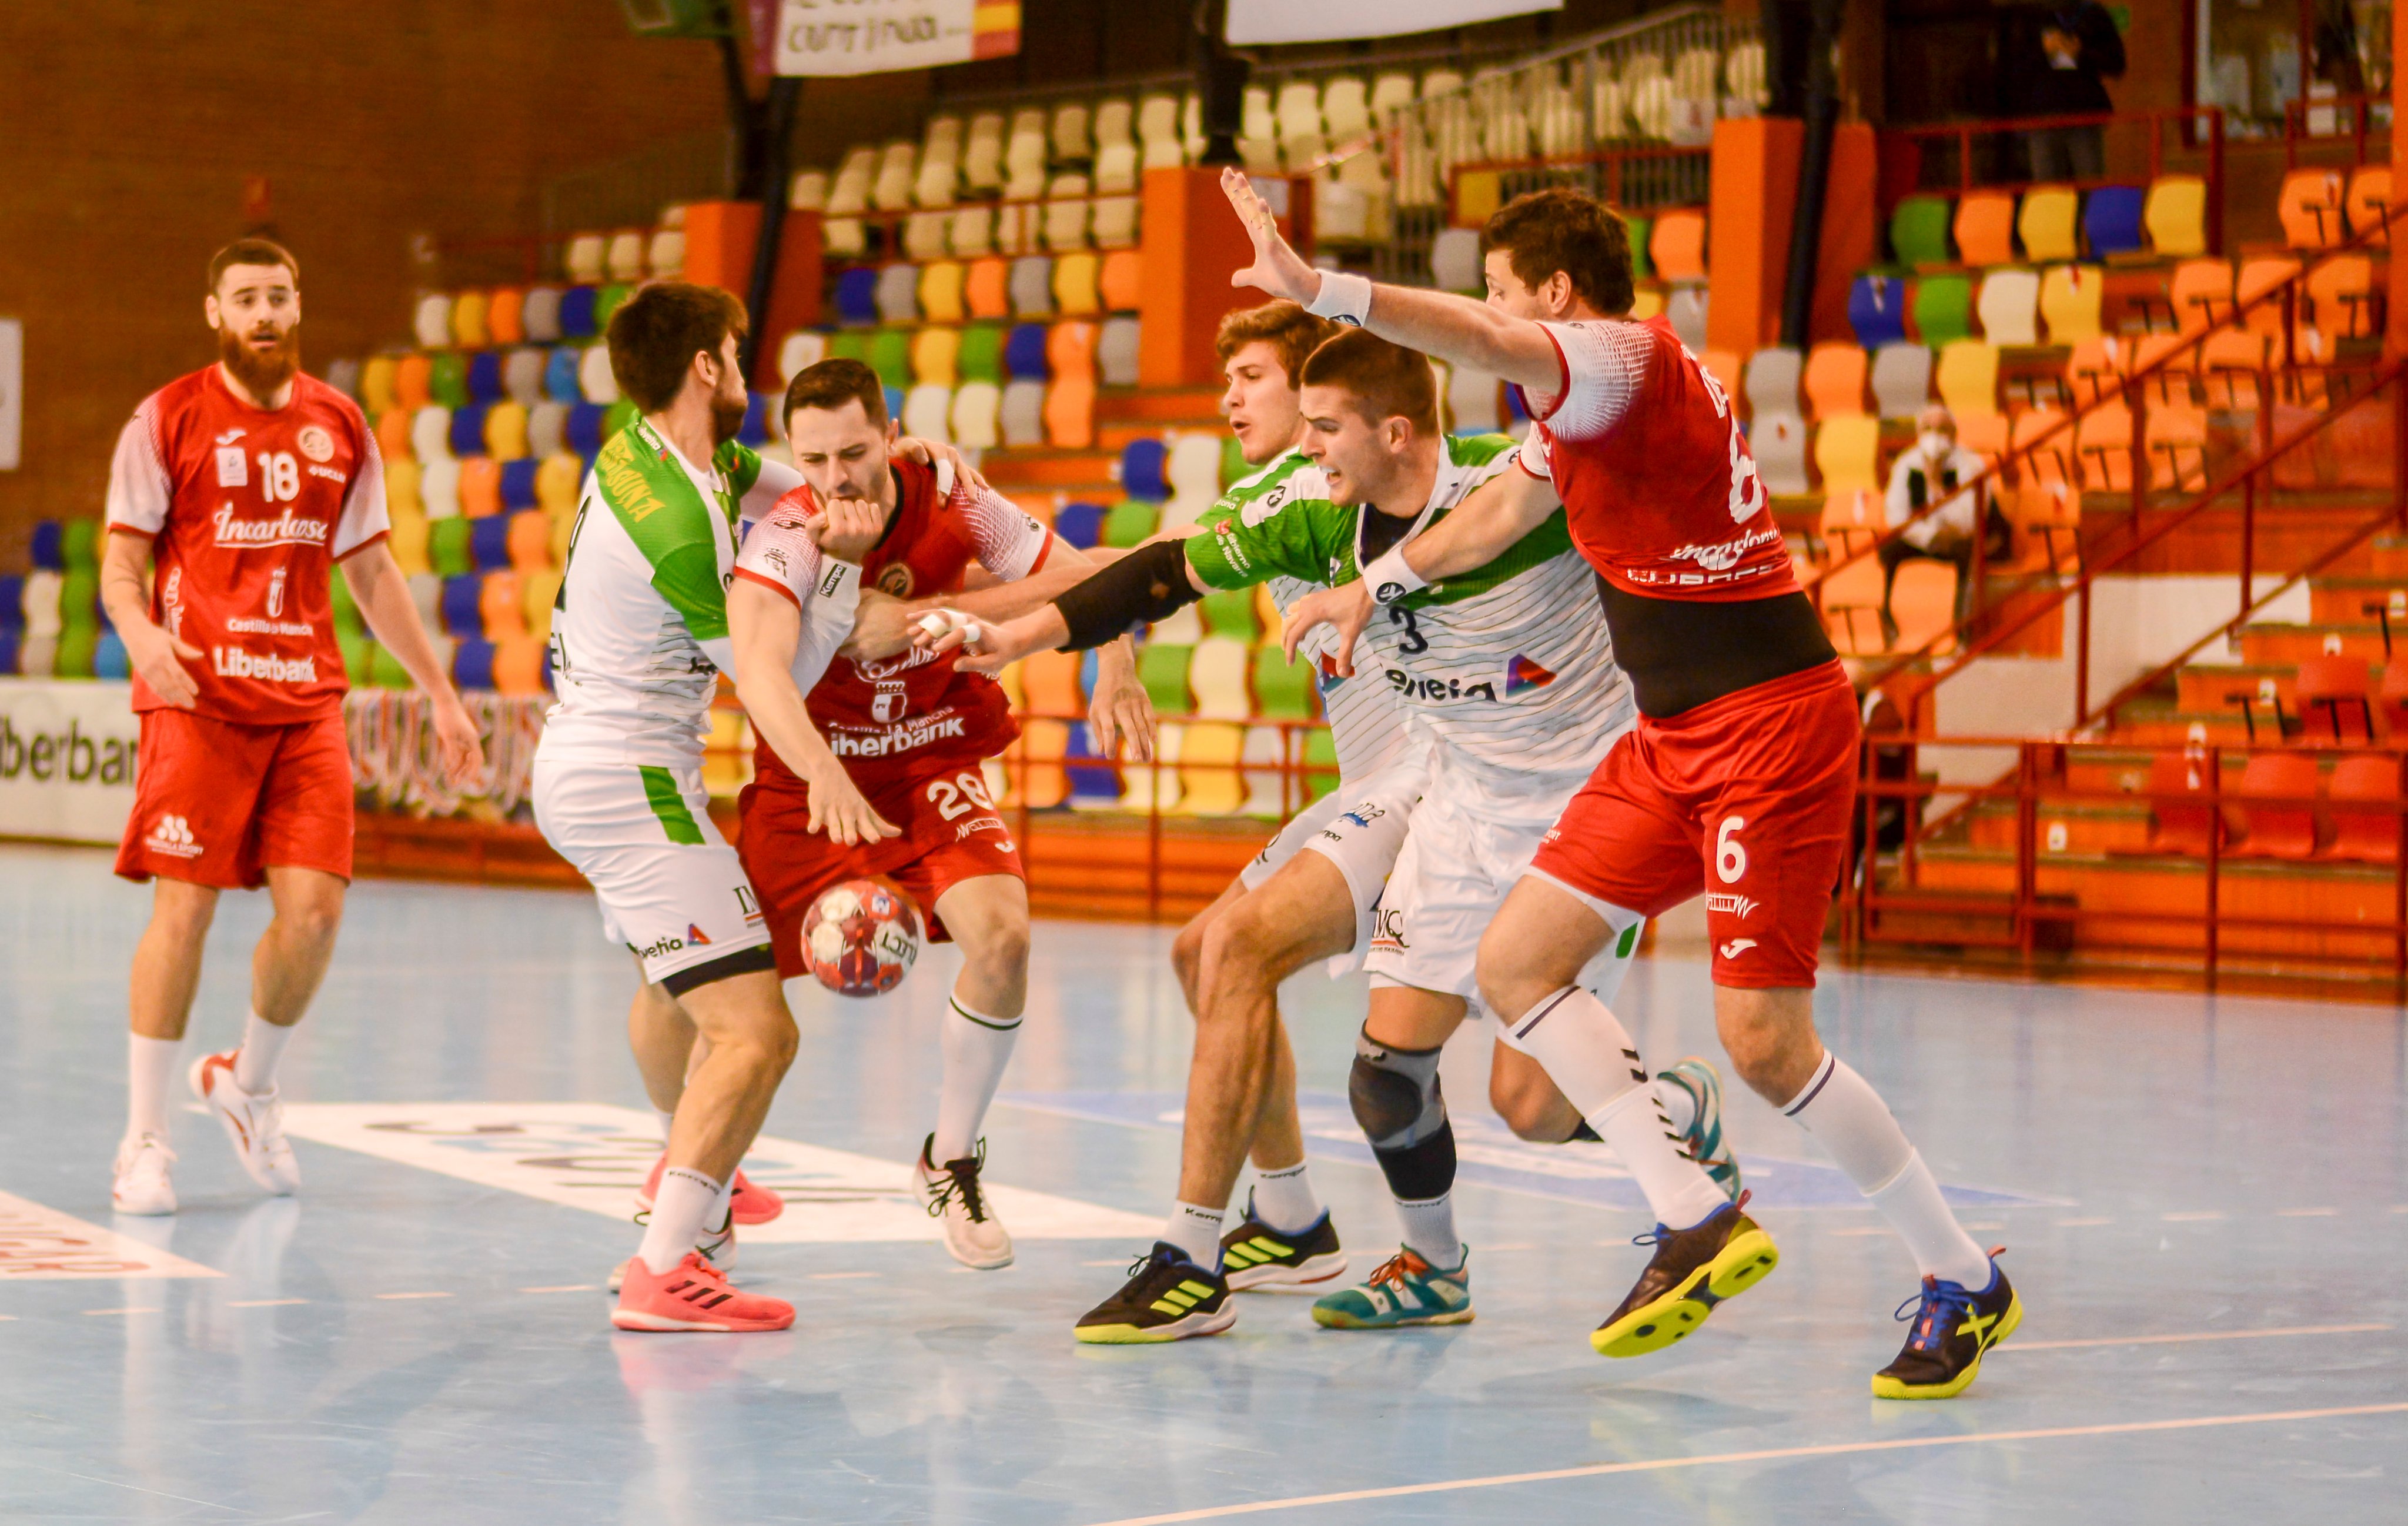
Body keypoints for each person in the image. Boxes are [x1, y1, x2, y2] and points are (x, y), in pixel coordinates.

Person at [1249, 180, 2022, 1399]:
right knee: (1515, 962)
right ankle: (1692, 1215)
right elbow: (1494, 511)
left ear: (1554, 295)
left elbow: (1489, 344)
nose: (1496, 313)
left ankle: (1962, 1277)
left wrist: (1323, 293)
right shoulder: (1574, 423)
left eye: (1504, 286)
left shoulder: (1614, 361)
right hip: (1668, 738)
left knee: (1764, 1044)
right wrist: (1373, 584)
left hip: (1769, 726)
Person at [937, 329, 1738, 1343]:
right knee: (1344, 1042)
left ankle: (1240, 1239)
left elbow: (1665, 536)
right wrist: (1015, 637)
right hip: (1444, 793)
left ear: (1388, 427)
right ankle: (1319, 1236)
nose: (1255, 415)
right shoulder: (1292, 507)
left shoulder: (1517, 495)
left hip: (1570, 806)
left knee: (1512, 1097)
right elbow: (1151, 571)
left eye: (1274, 393)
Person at [728, 357, 1152, 1271]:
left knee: (1004, 938)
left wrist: (1114, 655)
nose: (836, 477)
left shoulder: (955, 494)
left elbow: (1077, 574)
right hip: (812, 777)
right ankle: (690, 1180)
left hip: (929, 752)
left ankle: (950, 1156)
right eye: (815, 459)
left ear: (892, 433)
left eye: (854, 451)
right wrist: (824, 776)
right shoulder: (788, 534)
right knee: (717, 990)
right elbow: (760, 672)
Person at [102, 238, 483, 1218]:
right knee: (182, 913)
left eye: (278, 297)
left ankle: (248, 1084)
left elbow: (373, 574)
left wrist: (440, 693)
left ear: (298, 306)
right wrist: (143, 635)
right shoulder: (167, 418)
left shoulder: (340, 422)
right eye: (246, 300)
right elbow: (121, 563)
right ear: (215, 312)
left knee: (314, 916)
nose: (264, 314)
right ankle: (145, 1138)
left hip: (304, 698)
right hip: (197, 698)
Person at [531, 282, 814, 1333]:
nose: (749, 369)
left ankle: (686, 1171)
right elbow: (768, 670)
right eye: (739, 350)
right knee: (756, 1035)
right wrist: (831, 771)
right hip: (628, 779)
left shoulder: (664, 454)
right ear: (708, 367)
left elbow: (777, 487)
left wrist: (850, 498)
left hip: (594, 760)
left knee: (674, 987)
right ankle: (666, 1267)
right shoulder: (681, 527)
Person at [1878, 403, 2002, 616]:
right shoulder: (1907, 464)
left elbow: (1969, 520)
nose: (1934, 436)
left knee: (1967, 553)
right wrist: (1929, 536)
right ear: (1918, 434)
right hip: (1924, 538)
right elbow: (1897, 517)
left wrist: (1936, 490)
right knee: (1889, 550)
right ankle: (1890, 619)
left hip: (1958, 538)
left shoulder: (1971, 465)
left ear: (1954, 434)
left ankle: (1960, 625)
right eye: (1928, 429)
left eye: (1942, 429)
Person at [2008, 1, 2125, 181]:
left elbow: (2117, 64)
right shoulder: (2034, 17)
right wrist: (2044, 51)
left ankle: (2087, 210)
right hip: (2043, 117)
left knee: (2089, 184)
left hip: (2084, 115)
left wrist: (2081, 53)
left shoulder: (2093, 15)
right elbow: (2015, 70)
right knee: (2047, 193)